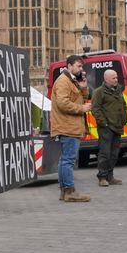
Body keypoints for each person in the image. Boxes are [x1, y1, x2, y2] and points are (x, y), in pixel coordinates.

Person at [50, 55, 92, 202]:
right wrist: (82, 108)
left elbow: (84, 95)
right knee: (68, 160)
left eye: (82, 66)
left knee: (65, 160)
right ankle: (69, 192)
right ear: (69, 66)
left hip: (69, 125)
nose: (81, 69)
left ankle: (64, 191)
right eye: (78, 66)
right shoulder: (63, 81)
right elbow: (63, 103)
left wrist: (84, 85)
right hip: (68, 126)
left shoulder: (72, 80)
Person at [91, 69, 126, 187]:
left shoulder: (118, 91)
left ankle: (110, 176)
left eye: (116, 77)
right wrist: (104, 123)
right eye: (113, 78)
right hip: (106, 128)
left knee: (114, 153)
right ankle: (102, 177)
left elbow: (123, 106)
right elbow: (95, 109)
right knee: (105, 153)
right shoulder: (99, 92)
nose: (116, 80)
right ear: (106, 79)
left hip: (117, 126)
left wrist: (124, 121)